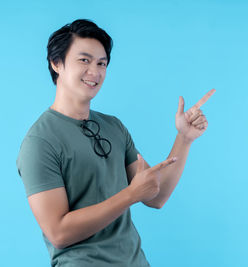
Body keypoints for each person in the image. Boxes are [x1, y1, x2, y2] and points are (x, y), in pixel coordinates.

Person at [16, 19, 215, 267]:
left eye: (102, 63)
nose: (95, 72)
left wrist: (184, 138)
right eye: (84, 60)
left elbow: (156, 196)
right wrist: (130, 195)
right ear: (57, 64)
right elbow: (59, 233)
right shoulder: (40, 142)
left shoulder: (114, 127)